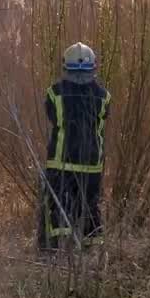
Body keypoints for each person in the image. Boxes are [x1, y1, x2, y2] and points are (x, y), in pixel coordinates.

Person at [38, 42, 110, 252]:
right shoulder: (104, 97)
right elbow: (103, 120)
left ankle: (52, 252)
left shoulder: (54, 93)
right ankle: (91, 253)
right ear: (93, 67)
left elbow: (52, 116)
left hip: (61, 162)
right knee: (90, 208)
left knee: (55, 207)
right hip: (92, 165)